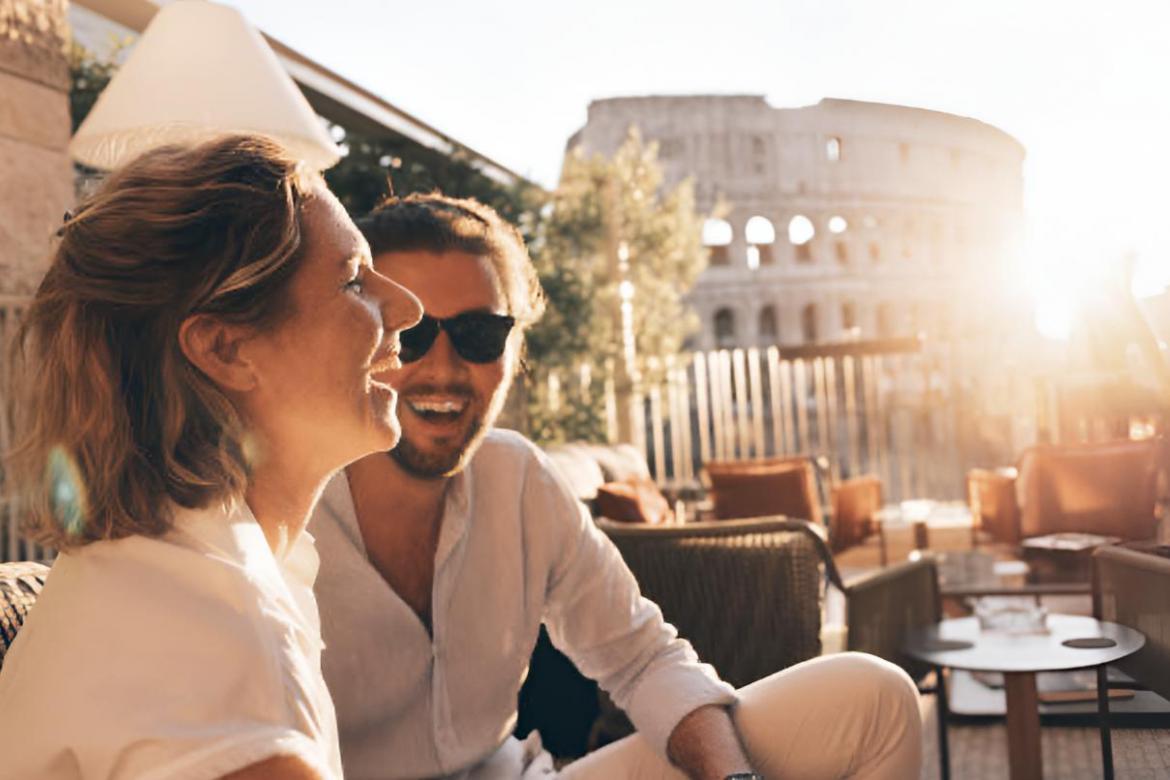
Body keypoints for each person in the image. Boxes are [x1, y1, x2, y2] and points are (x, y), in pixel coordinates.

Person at [309, 193, 923, 780]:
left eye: (478, 335)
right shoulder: (286, 512)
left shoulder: (517, 477)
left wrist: (733, 776)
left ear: (514, 347)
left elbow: (643, 658)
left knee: (875, 697)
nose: (443, 368)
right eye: (411, 333)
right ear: (358, 336)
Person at [0, 135, 422, 779]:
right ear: (225, 348)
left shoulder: (174, 574)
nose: (409, 306)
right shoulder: (230, 658)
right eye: (353, 280)